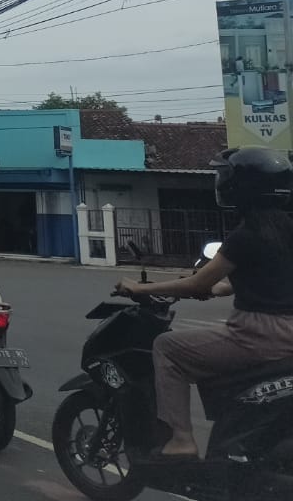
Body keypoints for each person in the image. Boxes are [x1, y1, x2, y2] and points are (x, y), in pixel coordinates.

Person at [115, 146, 293, 459]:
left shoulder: (246, 234)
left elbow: (197, 282)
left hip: (258, 334)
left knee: (167, 348)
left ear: (240, 187)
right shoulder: (286, 228)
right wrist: (222, 289)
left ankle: (182, 440)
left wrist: (140, 288)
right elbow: (268, 278)